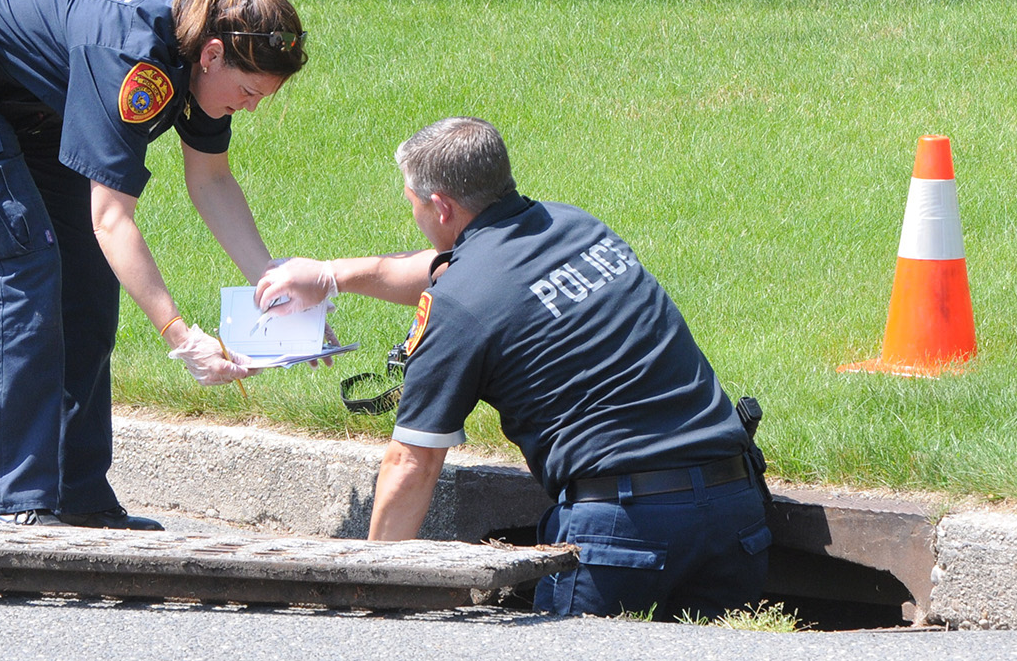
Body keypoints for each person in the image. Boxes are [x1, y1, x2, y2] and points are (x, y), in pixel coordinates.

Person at [255, 117, 771, 619]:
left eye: (410, 202)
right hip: (736, 512)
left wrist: (372, 594)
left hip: (625, 536)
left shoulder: (459, 307)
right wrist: (327, 276)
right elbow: (452, 270)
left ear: (440, 206)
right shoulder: (576, 226)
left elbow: (412, 465)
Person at [0, 0, 306, 529]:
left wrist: (277, 287)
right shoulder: (137, 57)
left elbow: (210, 181)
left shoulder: (201, 27)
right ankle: (12, 504)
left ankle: (76, 496)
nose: (252, 107)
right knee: (23, 261)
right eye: (247, 92)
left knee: (86, 277)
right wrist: (181, 337)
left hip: (32, 95)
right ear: (211, 56)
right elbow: (113, 218)